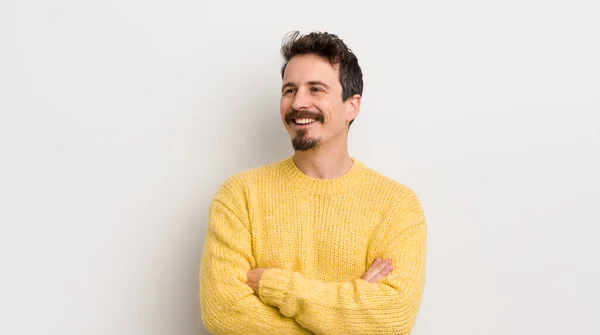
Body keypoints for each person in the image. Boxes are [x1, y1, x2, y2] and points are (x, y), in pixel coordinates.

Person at [199, 31, 427, 335]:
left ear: (352, 106)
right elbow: (223, 311)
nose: (299, 103)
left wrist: (274, 286)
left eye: (316, 89)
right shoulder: (240, 196)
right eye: (289, 90)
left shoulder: (397, 206)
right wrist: (350, 316)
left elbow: (393, 318)